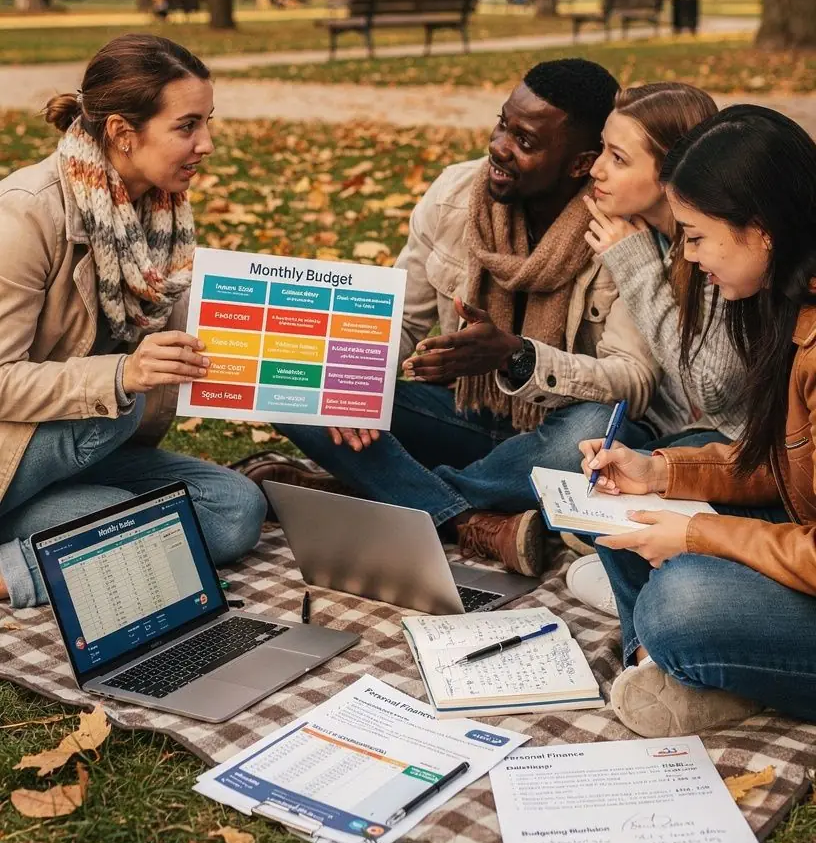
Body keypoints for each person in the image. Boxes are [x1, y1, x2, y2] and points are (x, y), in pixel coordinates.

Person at [249, 58, 660, 577]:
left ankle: (377, 489)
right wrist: (347, 384)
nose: (499, 147)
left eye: (526, 143)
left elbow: (635, 383)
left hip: (559, 431)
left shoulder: (621, 232)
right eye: (502, 124)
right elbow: (398, 323)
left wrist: (517, 356)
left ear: (581, 164)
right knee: (288, 372)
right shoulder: (454, 196)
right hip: (460, 418)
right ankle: (470, 519)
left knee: (604, 433)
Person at [0, 33, 266, 610]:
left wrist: (324, 382)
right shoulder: (27, 214)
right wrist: (121, 376)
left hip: (80, 453)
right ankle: (29, 560)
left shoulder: (159, 212)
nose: (207, 144)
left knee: (234, 512)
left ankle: (31, 544)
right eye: (187, 125)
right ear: (123, 132)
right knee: (123, 411)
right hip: (20, 446)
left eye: (208, 121)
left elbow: (198, 337)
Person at [578, 103, 816, 735]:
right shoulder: (781, 303)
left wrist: (698, 539)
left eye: (697, 235)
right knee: (627, 516)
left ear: (761, 229)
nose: (686, 254)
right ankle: (678, 667)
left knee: (680, 604)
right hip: (799, 537)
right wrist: (660, 471)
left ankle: (694, 659)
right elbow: (786, 462)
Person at [565, 82, 747, 615]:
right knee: (592, 454)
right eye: (602, 149)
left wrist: (637, 266)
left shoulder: (717, 249)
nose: (595, 169)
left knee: (608, 489)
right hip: (665, 438)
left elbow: (712, 390)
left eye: (617, 158)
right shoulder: (645, 233)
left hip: (721, 447)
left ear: (672, 173)